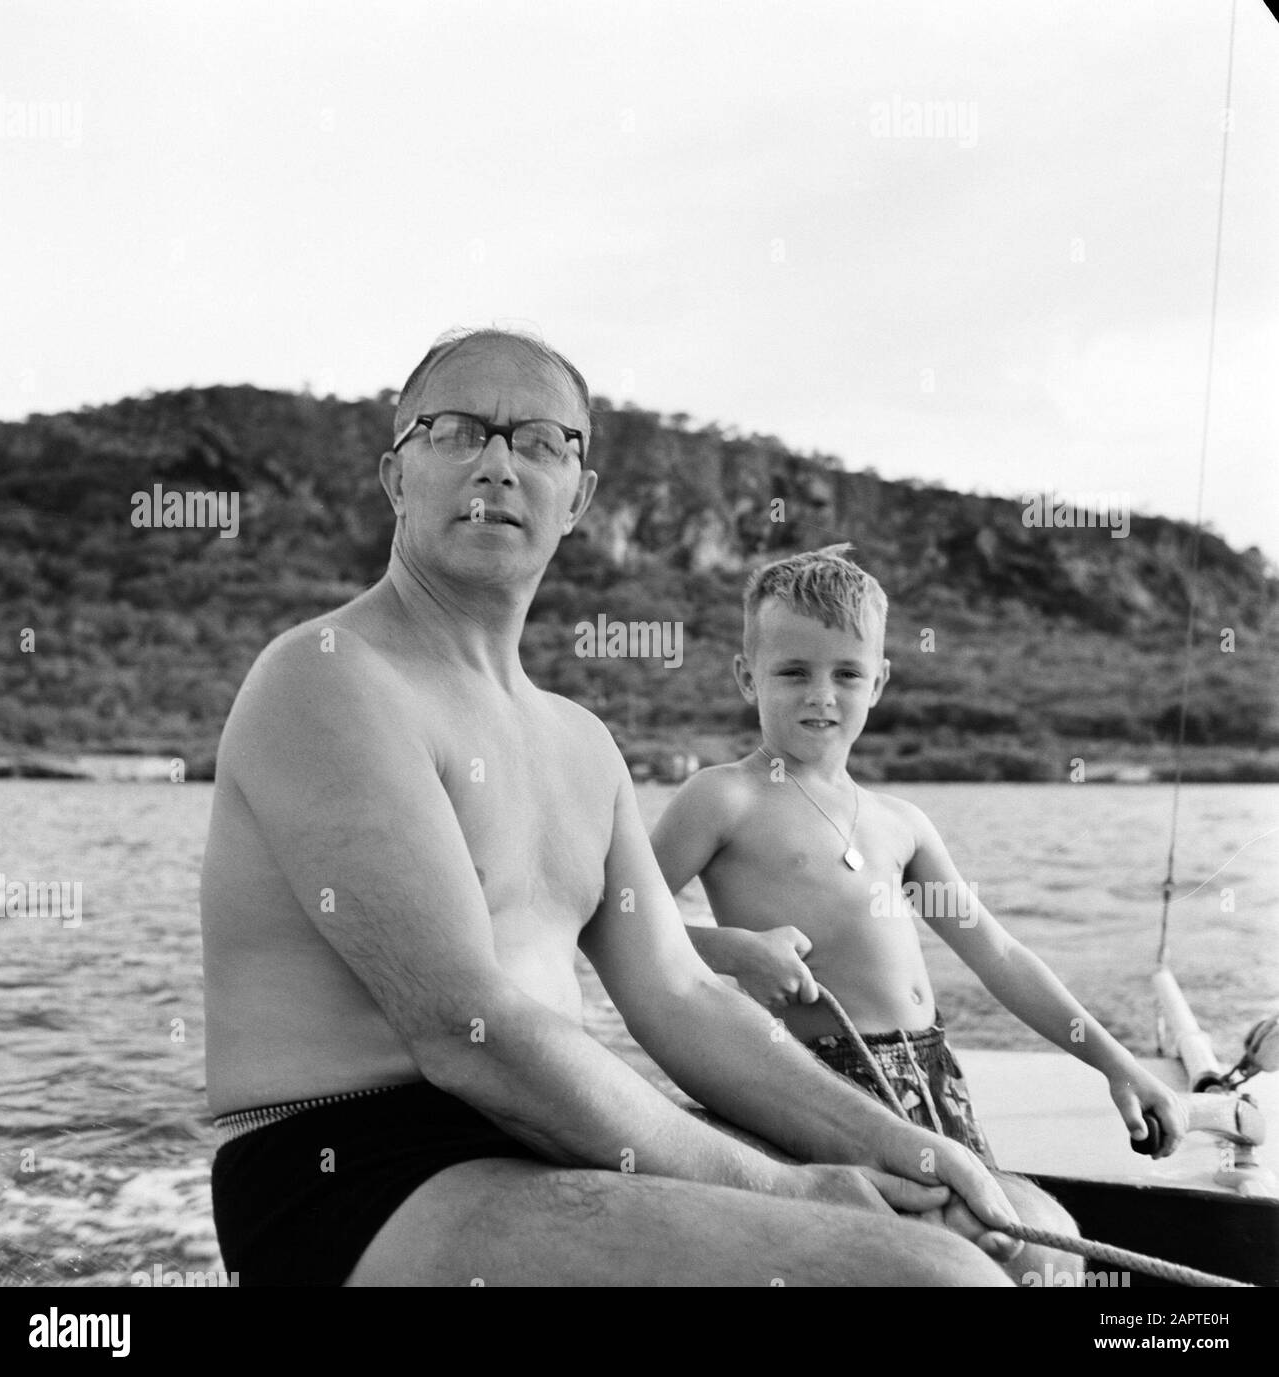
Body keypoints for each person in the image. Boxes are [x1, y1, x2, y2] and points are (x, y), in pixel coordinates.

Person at [200, 328, 1057, 1288]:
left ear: (581, 498)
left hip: (540, 1139)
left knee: (1030, 1234)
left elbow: (682, 994)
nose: (495, 461)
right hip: (359, 1174)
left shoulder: (582, 744)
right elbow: (462, 1024)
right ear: (396, 477)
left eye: (537, 440)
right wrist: (786, 1188)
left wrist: (903, 1148)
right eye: (453, 431)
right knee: (934, 1282)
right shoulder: (325, 679)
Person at [650, 544, 1187, 1169]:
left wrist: (1116, 1064)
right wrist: (736, 950)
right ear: (748, 678)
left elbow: (999, 954)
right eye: (794, 672)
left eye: (846, 674)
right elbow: (614, 920)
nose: (821, 695)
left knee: (987, 1241)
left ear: (878, 682)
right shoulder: (723, 796)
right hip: (814, 1083)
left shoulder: (901, 824)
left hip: (933, 1074)